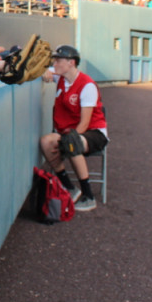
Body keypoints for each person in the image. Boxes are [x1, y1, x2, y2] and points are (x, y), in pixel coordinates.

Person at [40, 45, 107, 212]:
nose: (54, 63)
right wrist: (43, 71)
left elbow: (84, 125)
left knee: (71, 141)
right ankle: (70, 188)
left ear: (71, 62)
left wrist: (65, 142)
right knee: (46, 142)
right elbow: (39, 69)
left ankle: (88, 195)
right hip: (69, 133)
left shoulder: (87, 85)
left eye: (58, 60)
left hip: (94, 133)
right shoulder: (61, 77)